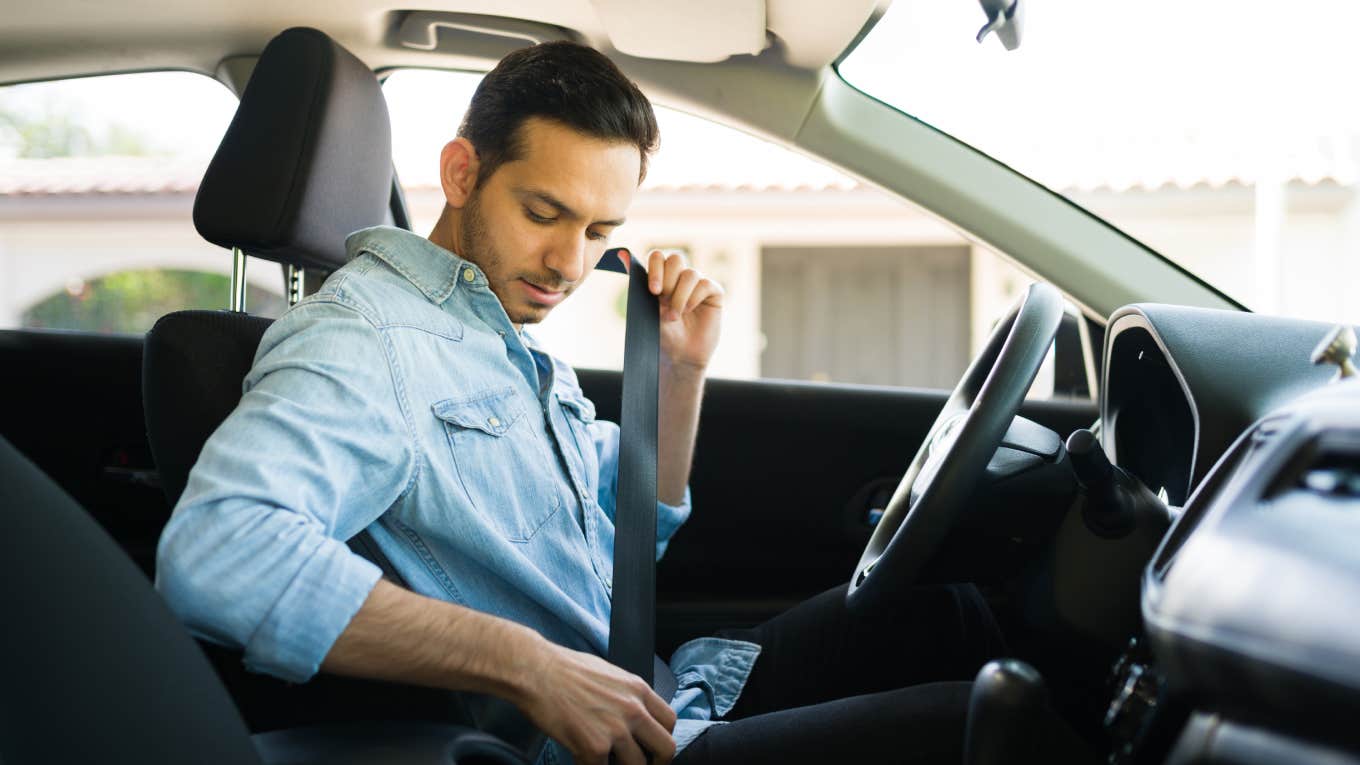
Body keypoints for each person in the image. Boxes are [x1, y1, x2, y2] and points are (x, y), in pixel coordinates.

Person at [156, 41, 1003, 765]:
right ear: (461, 173)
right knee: (985, 725)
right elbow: (218, 553)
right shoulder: (364, 337)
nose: (568, 263)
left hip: (664, 682)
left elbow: (634, 542)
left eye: (600, 232)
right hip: (589, 743)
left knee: (957, 614)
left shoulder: (499, 334)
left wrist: (682, 374)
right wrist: (530, 665)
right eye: (543, 212)